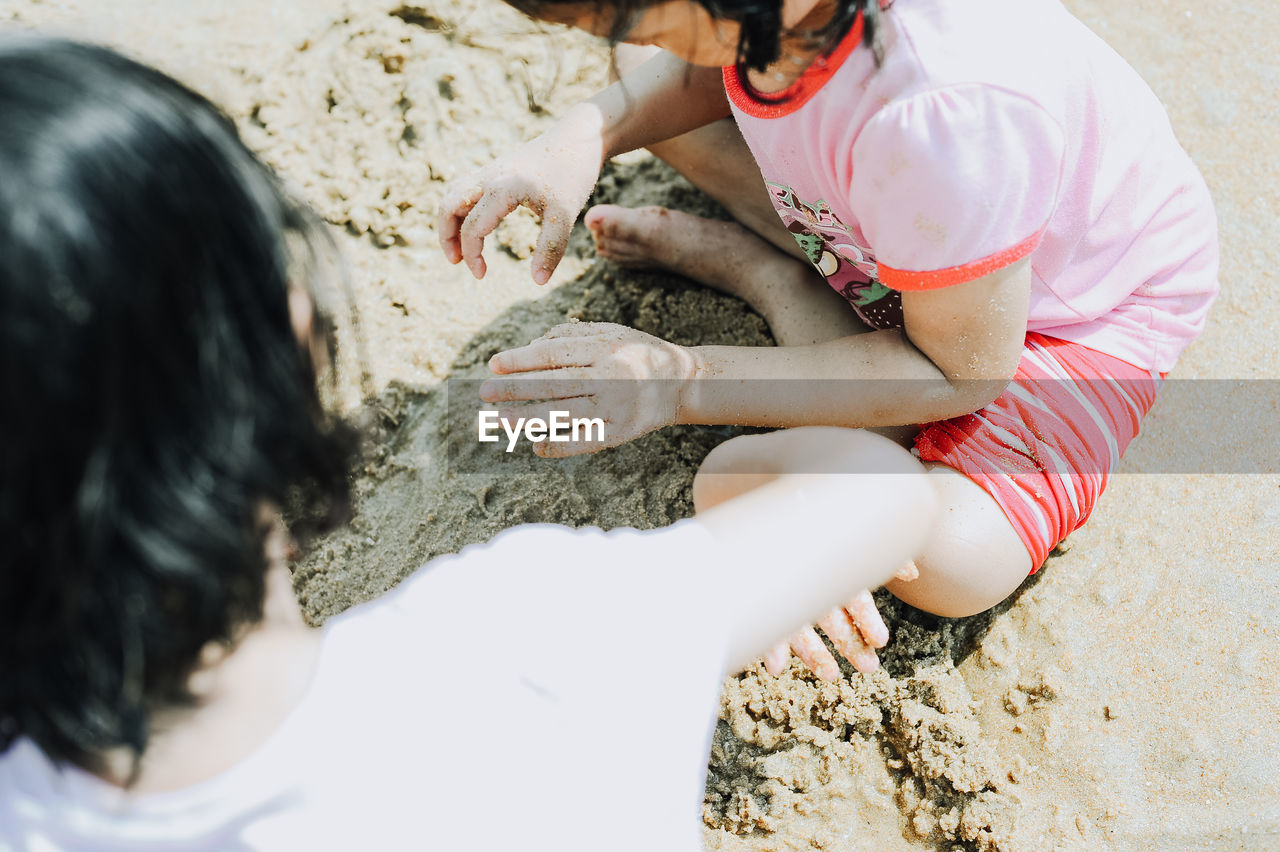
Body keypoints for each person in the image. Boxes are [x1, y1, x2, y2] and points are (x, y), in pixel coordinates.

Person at [0, 37, 937, 850]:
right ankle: (771, 276)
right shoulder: (526, 641)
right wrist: (685, 386)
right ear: (292, 335)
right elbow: (885, 484)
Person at [436, 0, 1220, 680]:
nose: (622, 30)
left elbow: (963, 372)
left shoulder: (950, 108)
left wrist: (683, 379)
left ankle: (776, 278)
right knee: (643, 68)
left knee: (955, 558)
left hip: (1070, 311)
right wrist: (589, 131)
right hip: (889, 231)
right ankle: (793, 291)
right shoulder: (772, 26)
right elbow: (707, 64)